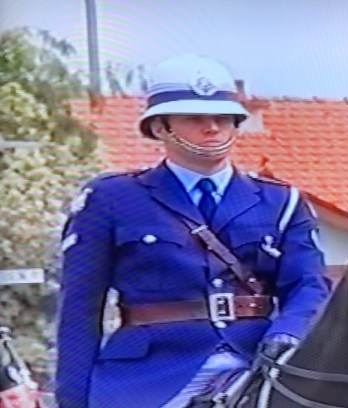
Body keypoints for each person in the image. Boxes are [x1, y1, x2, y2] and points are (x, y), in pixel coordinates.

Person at [54, 54, 331, 408]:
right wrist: (73, 400)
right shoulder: (112, 199)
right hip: (150, 377)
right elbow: (79, 308)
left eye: (223, 118)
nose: (212, 128)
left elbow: (309, 284)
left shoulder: (280, 201)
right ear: (160, 128)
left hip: (258, 360)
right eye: (194, 117)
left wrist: (287, 333)